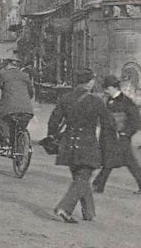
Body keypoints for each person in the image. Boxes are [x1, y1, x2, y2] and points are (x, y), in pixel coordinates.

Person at [46, 68, 116, 223]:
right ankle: (65, 207)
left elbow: (53, 121)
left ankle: (89, 213)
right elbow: (108, 123)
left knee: (80, 177)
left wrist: (52, 136)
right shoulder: (96, 101)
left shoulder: (65, 98)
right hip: (87, 143)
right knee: (83, 177)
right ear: (90, 82)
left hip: (68, 143)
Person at [93, 75, 141, 194]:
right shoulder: (109, 100)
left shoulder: (126, 101)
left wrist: (126, 133)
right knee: (122, 160)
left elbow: (135, 119)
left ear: (113, 87)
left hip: (120, 136)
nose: (105, 90)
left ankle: (98, 185)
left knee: (111, 161)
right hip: (110, 136)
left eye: (107, 88)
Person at [0, 58, 35, 146]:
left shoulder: (4, 75)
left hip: (9, 109)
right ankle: (20, 142)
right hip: (27, 110)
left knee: (2, 120)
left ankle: (6, 138)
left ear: (7, 66)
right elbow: (31, 93)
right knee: (21, 127)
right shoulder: (25, 75)